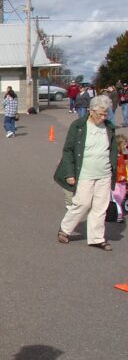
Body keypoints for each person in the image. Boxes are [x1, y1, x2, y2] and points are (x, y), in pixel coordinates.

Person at [54, 95, 117, 251]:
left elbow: (113, 150)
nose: (103, 117)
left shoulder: (109, 127)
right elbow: (68, 150)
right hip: (84, 173)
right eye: (100, 114)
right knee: (82, 203)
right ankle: (65, 229)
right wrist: (69, 173)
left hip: (104, 173)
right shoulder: (79, 126)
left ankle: (97, 238)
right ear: (90, 111)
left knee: (100, 207)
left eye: (105, 114)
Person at [111, 134, 126, 223]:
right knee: (116, 197)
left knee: (121, 196)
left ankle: (117, 211)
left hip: (122, 180)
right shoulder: (115, 156)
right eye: (124, 144)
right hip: (116, 181)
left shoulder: (121, 155)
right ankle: (118, 215)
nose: (125, 146)